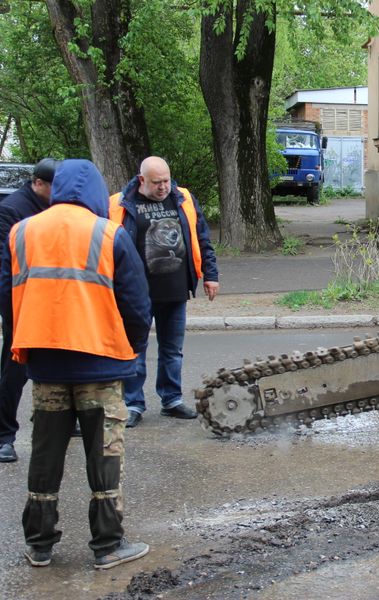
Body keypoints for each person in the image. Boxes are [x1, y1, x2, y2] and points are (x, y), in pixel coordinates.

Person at [0, 159, 152, 569]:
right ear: (95, 192)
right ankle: (107, 546)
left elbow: (8, 298)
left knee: (45, 455)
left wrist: (24, 345)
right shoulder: (109, 234)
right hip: (100, 365)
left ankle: (39, 544)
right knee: (104, 456)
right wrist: (131, 350)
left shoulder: (23, 233)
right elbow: (137, 305)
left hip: (46, 368)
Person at [109, 156, 219, 428]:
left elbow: (201, 236)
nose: (163, 187)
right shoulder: (120, 203)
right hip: (135, 292)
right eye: (157, 182)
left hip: (175, 288)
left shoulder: (183, 198)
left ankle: (171, 399)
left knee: (172, 350)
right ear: (142, 179)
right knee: (135, 349)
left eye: (167, 181)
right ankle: (133, 404)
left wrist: (211, 275)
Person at [0, 159, 59, 463]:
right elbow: (5, 269)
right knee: (15, 371)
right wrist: (13, 314)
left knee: (55, 365)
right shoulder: (12, 209)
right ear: (39, 183)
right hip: (21, 303)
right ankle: (4, 436)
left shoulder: (52, 207)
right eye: (54, 186)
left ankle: (51, 418)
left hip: (51, 300)